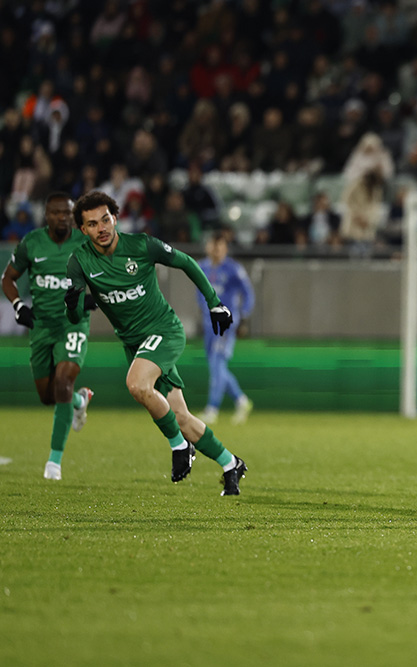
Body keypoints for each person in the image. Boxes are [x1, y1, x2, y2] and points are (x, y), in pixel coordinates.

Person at [65, 191, 247, 496]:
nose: (102, 227)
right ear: (83, 230)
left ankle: (179, 446)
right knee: (181, 417)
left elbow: (187, 262)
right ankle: (231, 464)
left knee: (137, 385)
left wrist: (215, 303)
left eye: (106, 219)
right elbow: (75, 315)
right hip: (136, 345)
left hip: (165, 331)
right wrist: (73, 305)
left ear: (115, 217)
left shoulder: (141, 245)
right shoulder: (79, 261)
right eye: (93, 223)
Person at [2, 192, 94, 479]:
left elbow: (108, 272)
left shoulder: (84, 242)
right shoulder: (32, 243)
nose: (62, 218)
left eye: (67, 213)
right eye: (56, 213)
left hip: (73, 324)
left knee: (64, 382)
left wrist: (95, 298)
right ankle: (80, 402)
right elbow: (8, 279)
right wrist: (18, 306)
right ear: (46, 216)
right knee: (49, 395)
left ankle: (53, 463)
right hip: (41, 327)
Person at [196, 231, 255, 426]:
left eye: (219, 246)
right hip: (208, 325)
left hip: (226, 323)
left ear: (225, 248)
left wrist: (244, 316)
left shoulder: (233, 269)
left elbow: (248, 292)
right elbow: (200, 294)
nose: (216, 249)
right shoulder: (201, 267)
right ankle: (241, 400)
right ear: (208, 247)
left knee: (217, 364)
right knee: (217, 366)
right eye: (213, 245)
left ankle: (212, 409)